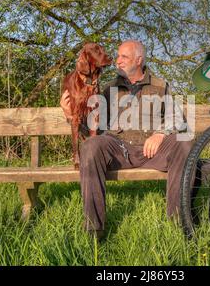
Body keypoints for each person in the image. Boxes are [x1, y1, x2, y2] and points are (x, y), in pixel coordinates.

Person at [60, 40, 193, 238]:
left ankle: (177, 224)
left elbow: (177, 119)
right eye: (118, 56)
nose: (117, 61)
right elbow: (91, 128)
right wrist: (70, 115)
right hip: (118, 148)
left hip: (153, 150)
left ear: (138, 60)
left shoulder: (159, 86)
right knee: (91, 146)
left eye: (124, 57)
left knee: (184, 142)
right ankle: (94, 230)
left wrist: (160, 134)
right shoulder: (108, 88)